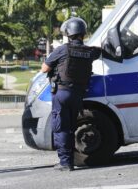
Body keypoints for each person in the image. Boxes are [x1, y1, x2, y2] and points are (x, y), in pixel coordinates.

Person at [40, 17, 100, 171]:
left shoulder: (62, 50)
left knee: (61, 128)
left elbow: (44, 68)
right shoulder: (89, 51)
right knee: (71, 127)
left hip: (62, 93)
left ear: (68, 33)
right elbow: (100, 51)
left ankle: (65, 163)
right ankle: (70, 159)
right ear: (83, 33)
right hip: (78, 96)